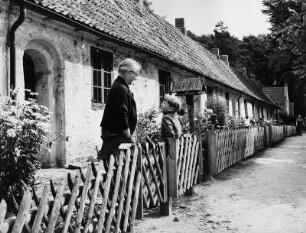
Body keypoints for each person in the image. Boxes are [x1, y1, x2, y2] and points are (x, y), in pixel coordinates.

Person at [98, 58, 141, 161]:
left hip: (117, 135)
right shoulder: (120, 88)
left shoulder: (121, 86)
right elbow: (121, 112)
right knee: (118, 165)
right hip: (116, 136)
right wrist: (127, 133)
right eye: (135, 74)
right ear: (128, 72)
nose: (136, 78)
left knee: (119, 166)